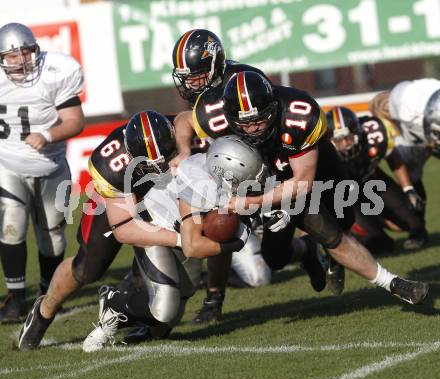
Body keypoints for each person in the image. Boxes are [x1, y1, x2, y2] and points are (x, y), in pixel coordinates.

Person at [219, 71, 428, 305]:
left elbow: (302, 183)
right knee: (274, 257)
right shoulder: (219, 127)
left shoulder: (297, 113)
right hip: (269, 183)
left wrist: (251, 204)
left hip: (312, 171)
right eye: (246, 123)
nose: (255, 128)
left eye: (260, 119)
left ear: (273, 106)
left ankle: (394, 284)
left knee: (339, 227)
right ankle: (308, 251)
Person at [17, 110, 181, 350]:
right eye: (150, 162)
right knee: (86, 268)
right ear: (131, 154)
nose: (159, 166)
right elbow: (124, 229)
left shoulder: (179, 130)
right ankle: (43, 312)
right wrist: (179, 238)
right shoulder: (111, 163)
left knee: (163, 268)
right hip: (114, 202)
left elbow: (188, 119)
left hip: (157, 199)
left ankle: (139, 314)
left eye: (165, 158)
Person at [82, 136, 256, 352]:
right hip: (155, 227)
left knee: (176, 306)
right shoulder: (198, 180)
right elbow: (193, 246)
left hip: (182, 227)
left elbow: (185, 119)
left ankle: (145, 329)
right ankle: (113, 303)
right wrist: (232, 244)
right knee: (165, 310)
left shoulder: (208, 164)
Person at [170, 29, 273, 324]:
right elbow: (183, 119)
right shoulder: (206, 93)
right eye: (186, 77)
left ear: (215, 63)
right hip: (229, 173)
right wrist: (184, 151)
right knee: (220, 224)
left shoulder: (241, 82)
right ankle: (214, 299)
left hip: (263, 170)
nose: (190, 83)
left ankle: (308, 251)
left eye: (196, 75)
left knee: (274, 249)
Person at [0, 23, 85, 323]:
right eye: (12, 55)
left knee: (53, 237)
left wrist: (48, 135)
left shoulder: (56, 71)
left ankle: (48, 294)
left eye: (26, 52)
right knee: (12, 222)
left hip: (50, 164)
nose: (21, 60)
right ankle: (15, 297)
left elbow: (75, 120)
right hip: (7, 163)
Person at [326, 106, 427, 253]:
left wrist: (408, 189)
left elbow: (393, 158)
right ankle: (374, 222)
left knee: (413, 220)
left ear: (358, 132)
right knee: (379, 245)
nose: (345, 145)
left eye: (348, 138)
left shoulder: (373, 133)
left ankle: (395, 222)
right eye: (338, 140)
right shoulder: (321, 150)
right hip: (346, 196)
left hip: (372, 180)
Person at [369, 79, 440, 224]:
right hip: (425, 120)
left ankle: (418, 227)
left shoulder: (405, 110)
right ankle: (418, 225)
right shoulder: (415, 92)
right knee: (411, 175)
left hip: (426, 118)